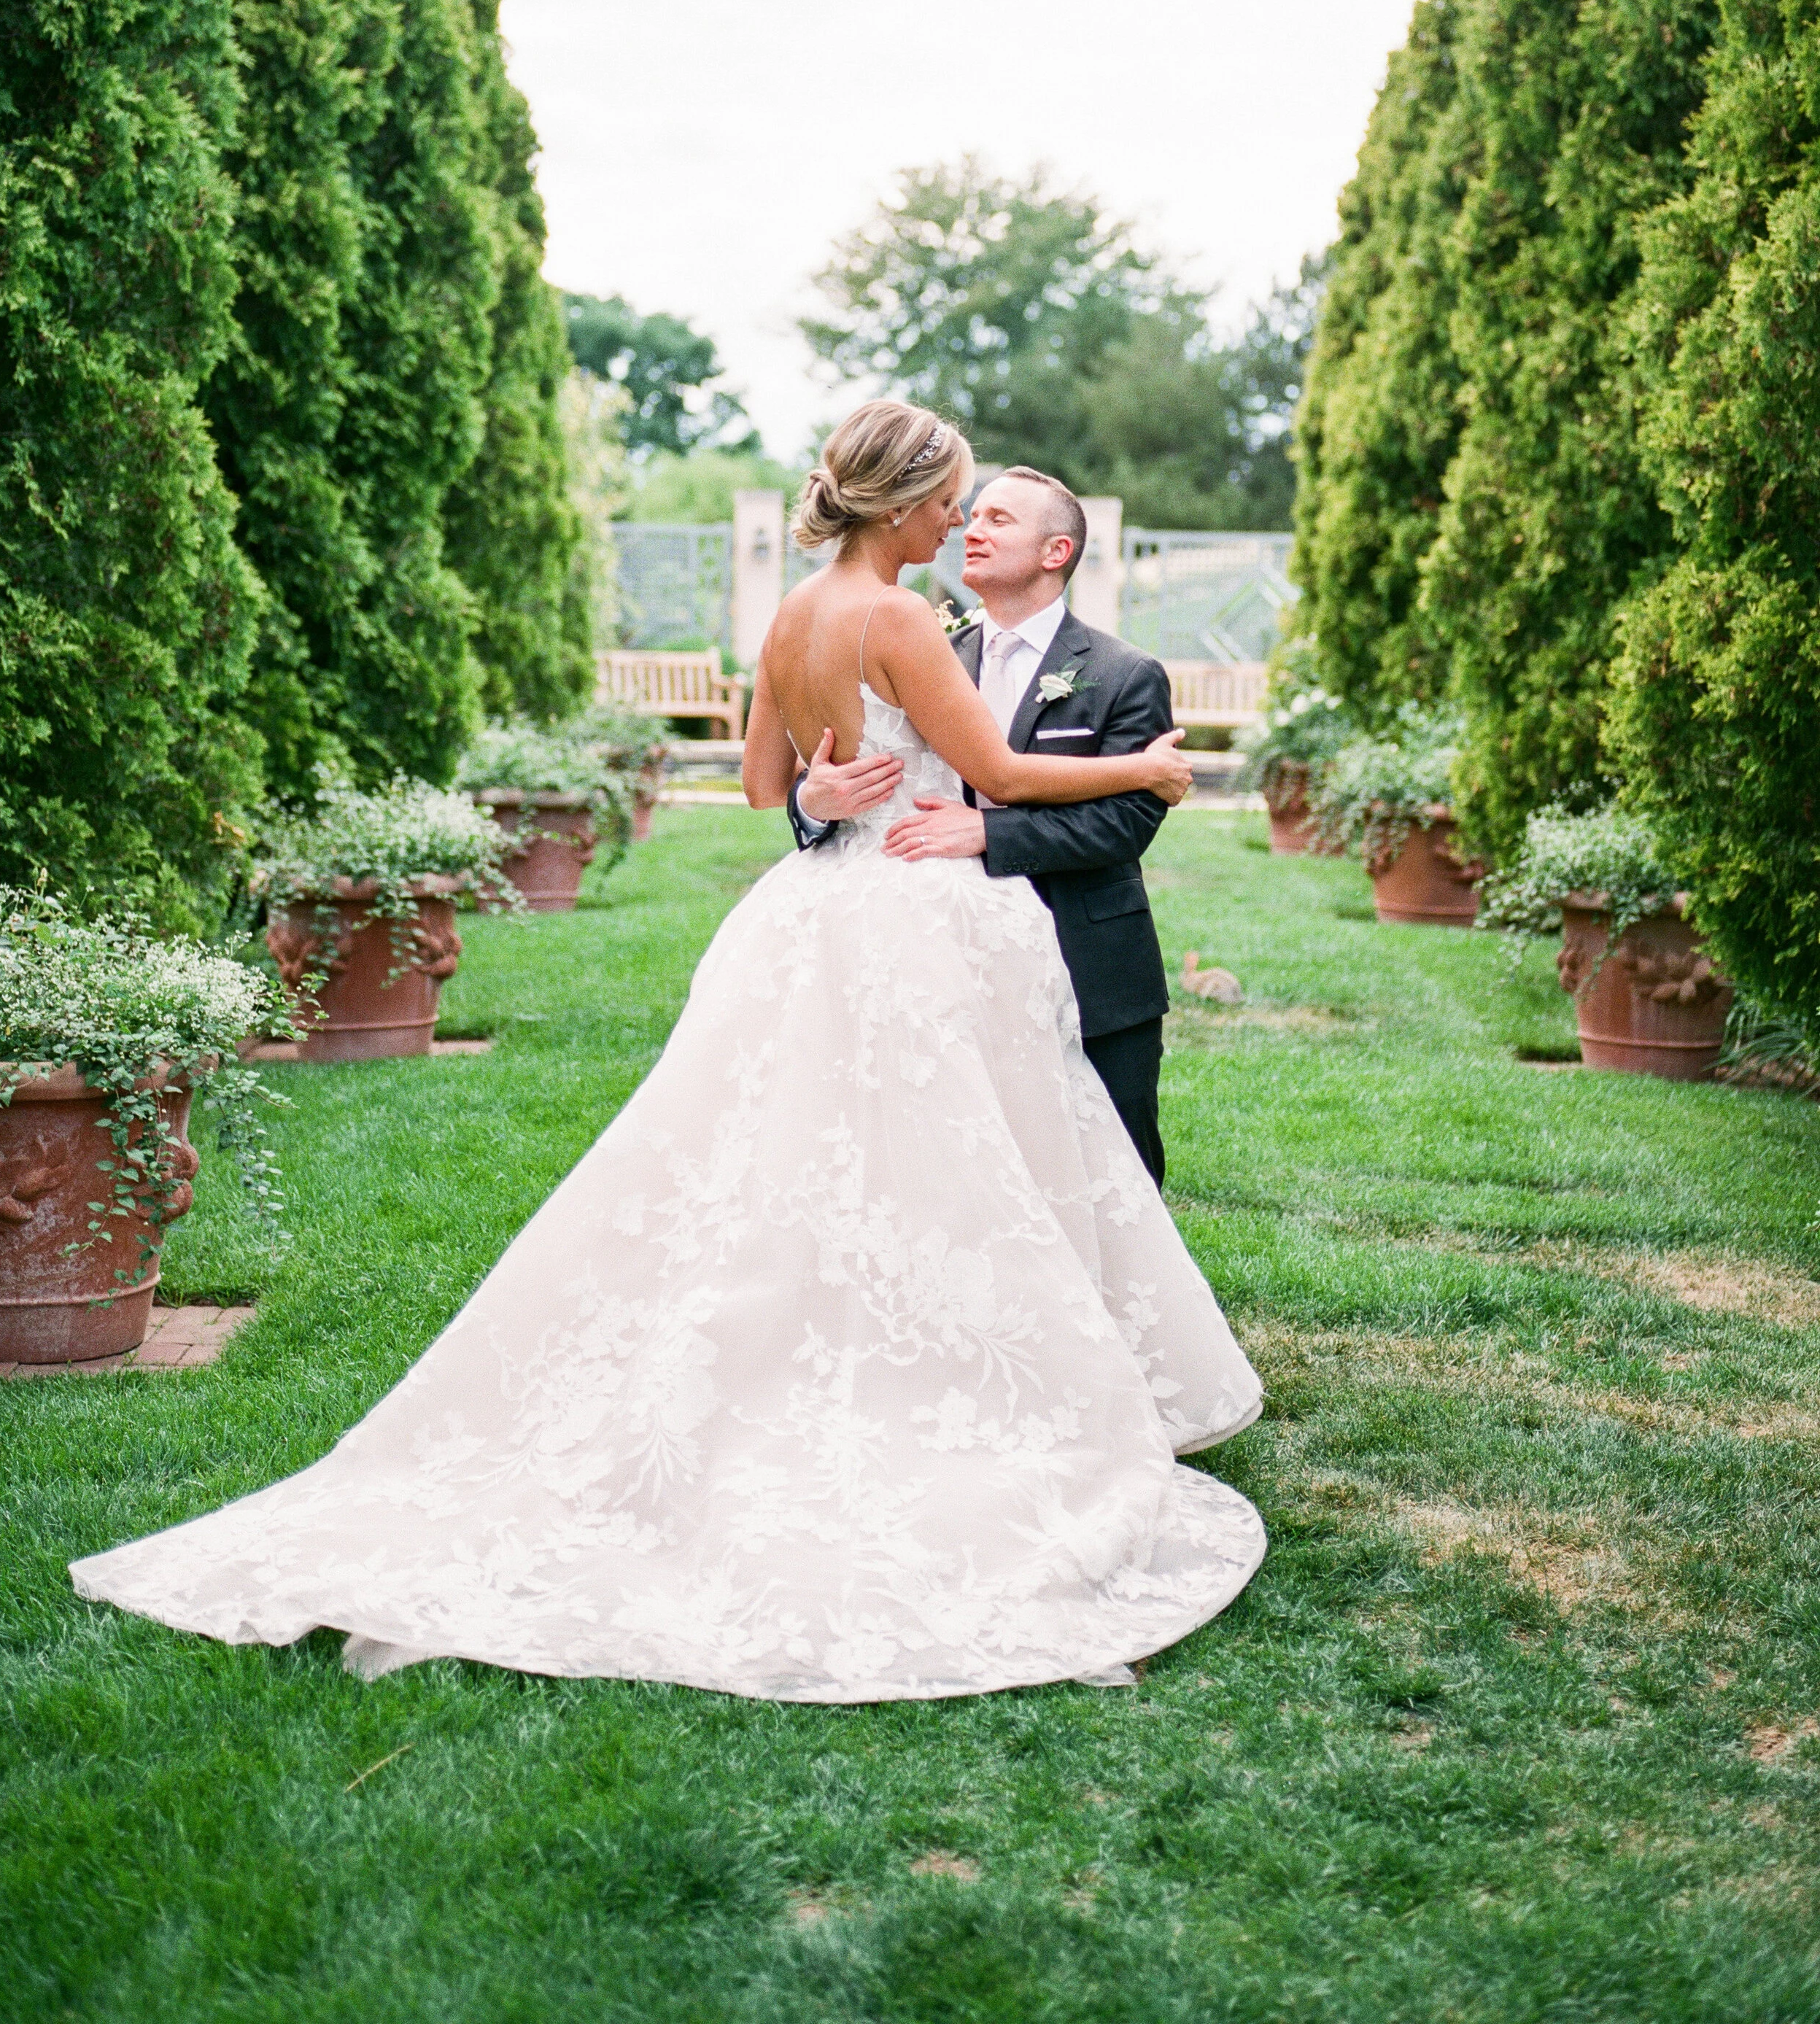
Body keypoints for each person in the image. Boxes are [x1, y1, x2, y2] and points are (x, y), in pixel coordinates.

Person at [71, 400, 1264, 1702]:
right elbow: (1008, 776)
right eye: (947, 502)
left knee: (792, 1160)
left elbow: (767, 786)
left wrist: (823, 793)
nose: (953, 524)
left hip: (812, 916)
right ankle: (917, 1391)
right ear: (902, 503)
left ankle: (833, 1361)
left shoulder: (791, 616)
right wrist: (1143, 766)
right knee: (931, 1164)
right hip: (909, 919)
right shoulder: (905, 617)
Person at [789, 464, 1179, 1186]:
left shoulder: (1125, 674)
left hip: (1088, 958)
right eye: (971, 512)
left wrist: (990, 834)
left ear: (1053, 551)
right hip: (950, 959)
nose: (970, 525)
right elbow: (846, 772)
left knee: (1115, 1170)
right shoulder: (924, 652)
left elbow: (1127, 820)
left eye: (999, 518)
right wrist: (814, 800)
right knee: (980, 1175)